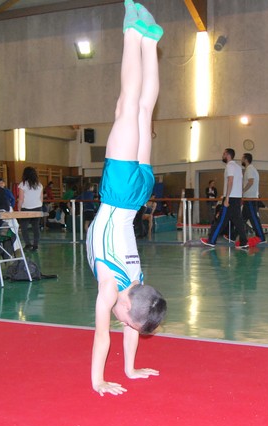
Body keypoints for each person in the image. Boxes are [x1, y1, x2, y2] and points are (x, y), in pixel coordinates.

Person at [85, 2, 167, 397]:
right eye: (128, 323)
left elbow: (131, 324)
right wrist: (98, 381)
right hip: (118, 194)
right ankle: (132, 35)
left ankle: (150, 44)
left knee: (142, 111)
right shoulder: (110, 290)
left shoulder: (137, 285)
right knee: (129, 103)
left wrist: (132, 370)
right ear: (126, 307)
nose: (125, 327)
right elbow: (104, 336)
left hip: (138, 196)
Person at [201, 148, 248, 248]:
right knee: (238, 221)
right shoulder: (238, 167)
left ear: (227, 155)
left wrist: (226, 198)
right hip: (237, 198)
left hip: (230, 198)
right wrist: (240, 197)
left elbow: (230, 181)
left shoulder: (229, 166)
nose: (222, 156)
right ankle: (244, 242)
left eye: (223, 154)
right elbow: (240, 183)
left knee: (221, 220)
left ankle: (212, 240)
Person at [18, 167, 44, 251]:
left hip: (26, 208)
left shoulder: (23, 184)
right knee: (36, 227)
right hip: (37, 207)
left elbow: (21, 199)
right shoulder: (39, 185)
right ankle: (35, 245)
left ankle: (28, 244)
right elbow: (41, 198)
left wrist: (19, 209)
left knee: (24, 227)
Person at [241, 152, 265, 242]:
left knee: (254, 218)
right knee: (242, 218)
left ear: (246, 159)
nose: (241, 160)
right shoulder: (251, 169)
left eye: (242, 158)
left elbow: (251, 182)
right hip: (248, 198)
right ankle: (233, 235)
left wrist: (242, 191)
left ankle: (261, 237)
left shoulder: (250, 169)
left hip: (250, 199)